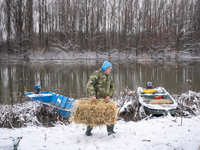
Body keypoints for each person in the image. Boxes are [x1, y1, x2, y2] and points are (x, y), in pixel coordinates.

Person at [86, 61, 115, 136]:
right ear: (105, 68)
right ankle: (88, 131)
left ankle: (110, 131)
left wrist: (109, 95)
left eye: (111, 69)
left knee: (110, 113)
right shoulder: (97, 73)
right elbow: (90, 84)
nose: (110, 71)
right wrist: (93, 95)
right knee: (93, 115)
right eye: (109, 69)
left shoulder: (109, 76)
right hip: (97, 99)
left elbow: (112, 87)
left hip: (106, 100)